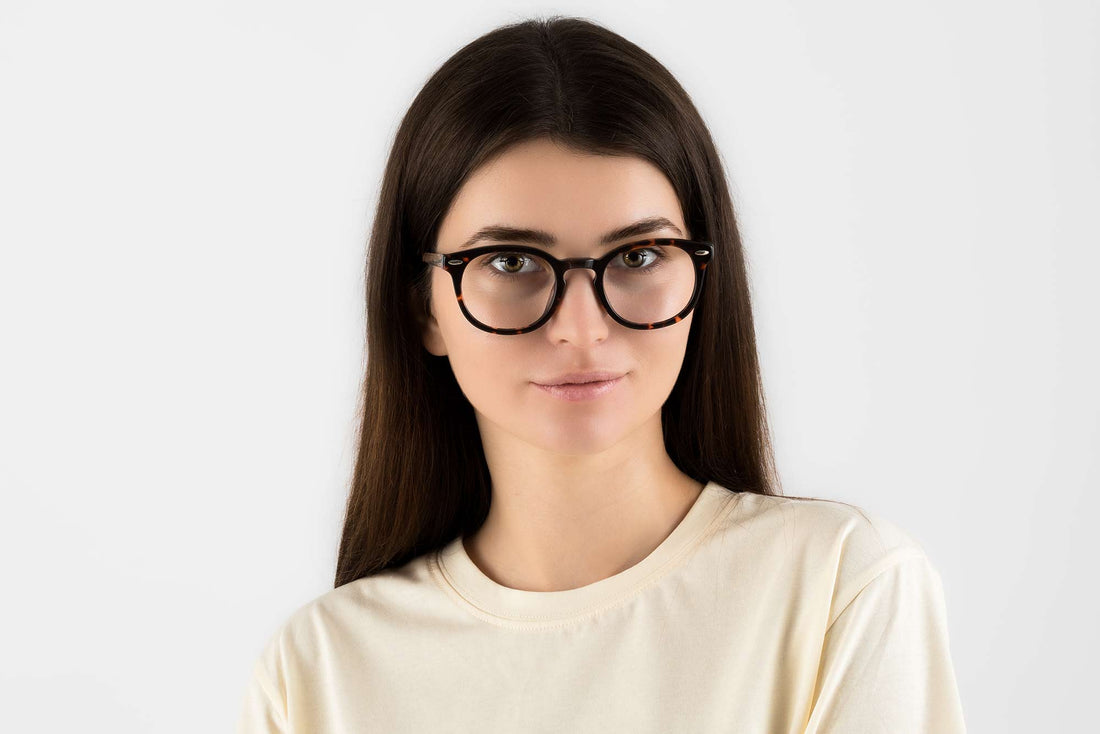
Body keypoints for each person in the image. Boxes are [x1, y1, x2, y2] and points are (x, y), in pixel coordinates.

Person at [235, 15, 966, 733]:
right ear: (422, 308)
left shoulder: (840, 587)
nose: (581, 327)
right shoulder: (320, 670)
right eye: (511, 262)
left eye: (639, 257)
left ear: (703, 284)